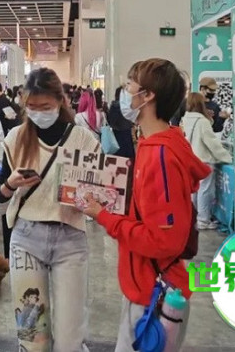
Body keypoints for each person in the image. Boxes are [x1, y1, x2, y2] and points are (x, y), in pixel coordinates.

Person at [77, 59, 210, 352]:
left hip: (154, 293)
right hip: (147, 285)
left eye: (129, 86)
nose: (124, 94)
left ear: (147, 95)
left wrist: (104, 217)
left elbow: (163, 240)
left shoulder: (161, 156)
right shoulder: (157, 145)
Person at [0, 68, 99, 351]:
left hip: (70, 238)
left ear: (60, 101)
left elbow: (101, 196)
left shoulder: (83, 140)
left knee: (69, 337)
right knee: (32, 335)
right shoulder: (15, 138)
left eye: (45, 107)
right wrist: (11, 184)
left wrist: (89, 199)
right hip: (26, 238)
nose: (38, 113)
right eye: (31, 106)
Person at [181, 93, 232, 230]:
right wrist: (227, 157)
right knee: (205, 190)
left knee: (195, 191)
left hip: (191, 159)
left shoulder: (186, 119)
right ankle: (203, 220)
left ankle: (194, 218)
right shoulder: (202, 121)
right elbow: (212, 143)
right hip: (204, 160)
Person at [107, 86, 135, 159]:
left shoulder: (113, 106)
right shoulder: (126, 107)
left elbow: (110, 121)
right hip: (126, 135)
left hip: (116, 136)